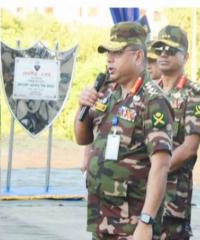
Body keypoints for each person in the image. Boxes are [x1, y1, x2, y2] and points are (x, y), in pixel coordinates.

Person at [74, 21, 173, 239]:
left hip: (132, 225)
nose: (109, 59)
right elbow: (82, 138)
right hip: (103, 220)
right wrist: (82, 107)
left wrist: (146, 222)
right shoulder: (108, 91)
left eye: (117, 53)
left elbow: (161, 165)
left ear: (138, 56)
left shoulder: (153, 101)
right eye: (108, 53)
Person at [151, 25, 200, 240]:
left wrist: (153, 173)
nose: (163, 53)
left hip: (172, 200)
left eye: (171, 50)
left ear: (186, 56)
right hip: (140, 195)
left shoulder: (194, 94)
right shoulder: (148, 91)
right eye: (159, 48)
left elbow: (189, 149)